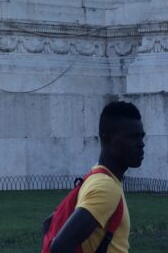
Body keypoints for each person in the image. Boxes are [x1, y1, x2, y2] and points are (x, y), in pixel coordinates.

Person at [50, 100, 145, 253]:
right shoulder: (105, 187)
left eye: (141, 136)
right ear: (107, 139)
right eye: (132, 137)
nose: (141, 144)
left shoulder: (96, 177)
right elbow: (60, 247)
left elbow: (49, 224)